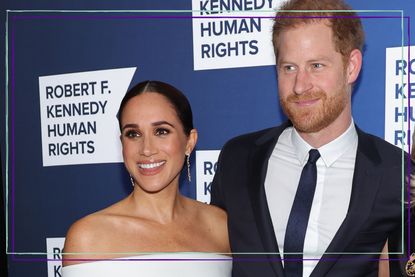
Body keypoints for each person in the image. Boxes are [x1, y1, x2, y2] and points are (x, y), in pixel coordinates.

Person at [211, 0, 406, 276]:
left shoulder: (396, 173)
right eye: (289, 68)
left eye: (316, 65)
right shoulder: (237, 159)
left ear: (351, 67)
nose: (300, 86)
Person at [62, 80, 231, 276]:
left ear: (189, 142)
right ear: (122, 144)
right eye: (133, 134)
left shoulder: (219, 225)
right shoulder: (88, 237)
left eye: (161, 131)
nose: (147, 149)